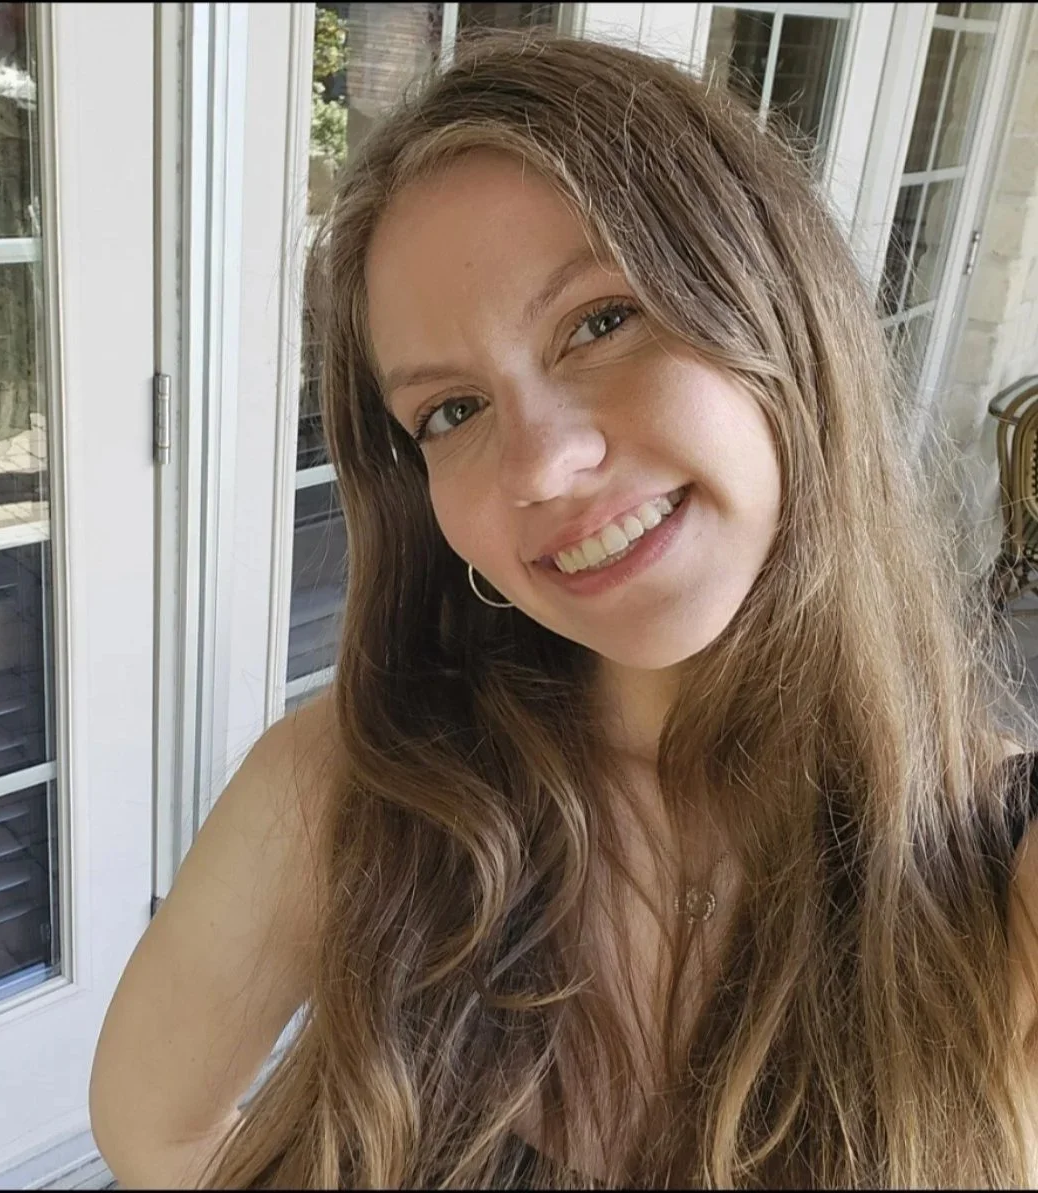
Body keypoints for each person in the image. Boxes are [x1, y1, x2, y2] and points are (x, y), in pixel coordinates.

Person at [88, 30, 1038, 1188]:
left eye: (600, 321)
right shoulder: (352, 791)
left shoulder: (998, 860)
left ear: (781, 309)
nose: (539, 464)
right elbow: (157, 1127)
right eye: (452, 410)